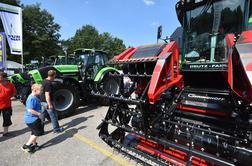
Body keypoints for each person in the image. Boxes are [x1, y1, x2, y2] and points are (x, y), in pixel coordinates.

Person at [22, 84, 44, 153]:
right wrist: (39, 114)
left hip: (31, 119)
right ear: (35, 90)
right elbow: (30, 110)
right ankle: (26, 146)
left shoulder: (34, 96)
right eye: (41, 90)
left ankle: (34, 144)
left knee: (34, 132)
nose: (42, 92)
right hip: (32, 119)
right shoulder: (32, 98)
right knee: (38, 132)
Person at [0, 71, 16, 136]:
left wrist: (8, 97)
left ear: (4, 77)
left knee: (7, 119)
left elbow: (14, 92)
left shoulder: (10, 84)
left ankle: (5, 132)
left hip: (7, 105)